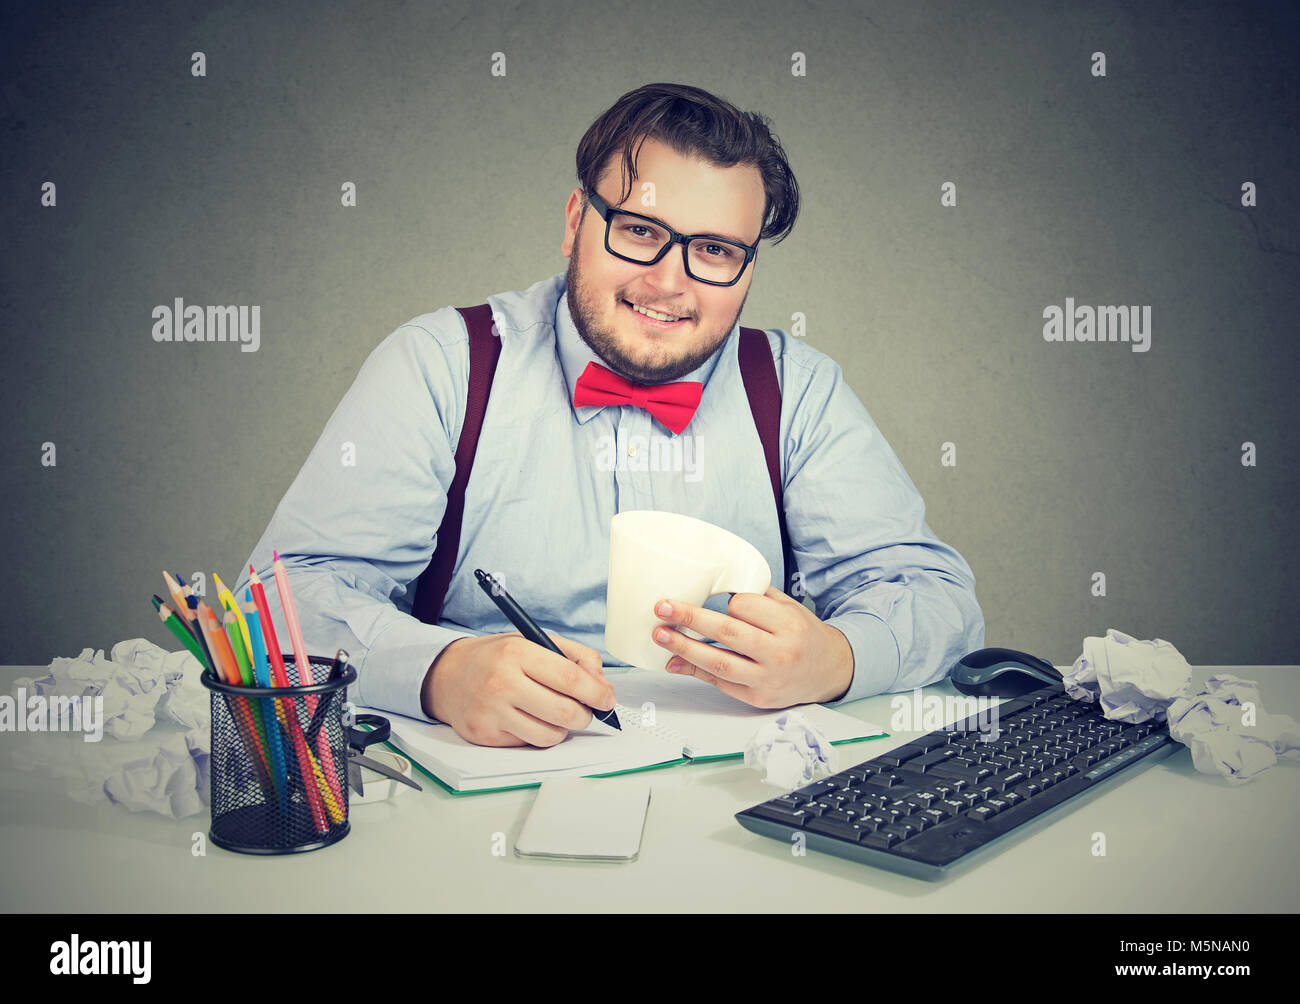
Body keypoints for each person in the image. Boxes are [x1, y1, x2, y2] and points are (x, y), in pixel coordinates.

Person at [236, 82, 984, 748]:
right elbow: (281, 600)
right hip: (480, 804)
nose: (669, 282)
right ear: (575, 222)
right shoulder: (439, 364)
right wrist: (439, 671)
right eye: (639, 230)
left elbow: (936, 599)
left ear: (749, 265)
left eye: (717, 250)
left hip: (734, 807)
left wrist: (838, 658)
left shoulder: (800, 391)